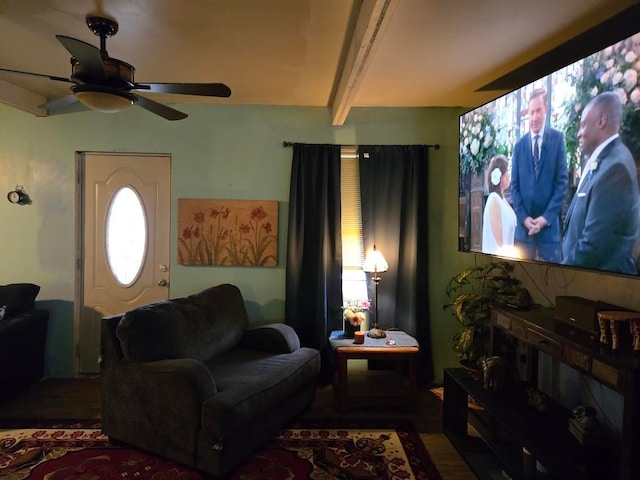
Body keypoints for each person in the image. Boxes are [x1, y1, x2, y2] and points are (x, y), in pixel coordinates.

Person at [562, 91, 640, 274]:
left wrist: (559, 271)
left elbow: (594, 245)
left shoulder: (615, 168)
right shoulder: (606, 160)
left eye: (583, 126)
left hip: (600, 289)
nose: (579, 134)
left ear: (601, 121)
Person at [510, 88, 568, 262]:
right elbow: (514, 187)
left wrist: (545, 219)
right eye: (531, 112)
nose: (534, 117)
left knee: (553, 281)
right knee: (519, 280)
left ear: (546, 109)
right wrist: (524, 218)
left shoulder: (557, 140)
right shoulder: (519, 147)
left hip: (548, 231)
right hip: (524, 230)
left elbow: (561, 183)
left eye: (538, 111)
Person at [482, 155, 516, 255]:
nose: (509, 175)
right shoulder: (494, 200)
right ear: (500, 176)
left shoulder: (502, 200)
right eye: (507, 171)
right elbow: (499, 243)